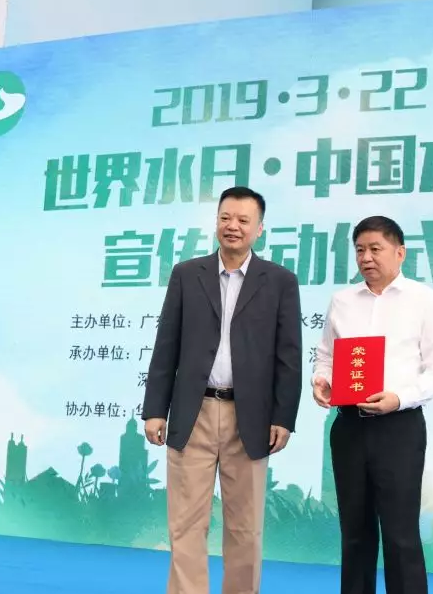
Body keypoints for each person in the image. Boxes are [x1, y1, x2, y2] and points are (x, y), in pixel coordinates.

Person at [142, 186, 303, 594]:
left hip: (250, 418)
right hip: (191, 413)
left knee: (245, 528)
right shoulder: (186, 274)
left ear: (259, 229)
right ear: (216, 221)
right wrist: (155, 409)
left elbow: (289, 356)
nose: (233, 226)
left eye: (243, 220)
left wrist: (283, 417)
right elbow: (166, 345)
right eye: (225, 217)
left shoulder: (280, 282)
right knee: (185, 524)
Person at [312, 216, 433, 594]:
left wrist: (399, 398)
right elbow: (325, 357)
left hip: (399, 427)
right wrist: (321, 380)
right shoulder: (342, 301)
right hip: (349, 426)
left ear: (400, 252)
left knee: (400, 533)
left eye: (376, 249)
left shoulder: (422, 299)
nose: (366, 258)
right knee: (355, 532)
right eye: (360, 250)